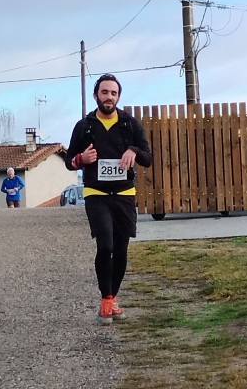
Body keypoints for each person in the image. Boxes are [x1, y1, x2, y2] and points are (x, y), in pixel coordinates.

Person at [65, 74, 152, 324]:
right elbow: (69, 161)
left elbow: (148, 157)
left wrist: (133, 151)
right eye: (105, 92)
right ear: (96, 96)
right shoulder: (84, 126)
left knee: (122, 249)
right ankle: (105, 298)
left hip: (124, 194)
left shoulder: (130, 124)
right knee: (106, 246)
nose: (109, 97)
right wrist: (81, 159)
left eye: (113, 93)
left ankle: (113, 297)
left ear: (118, 97)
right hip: (97, 194)